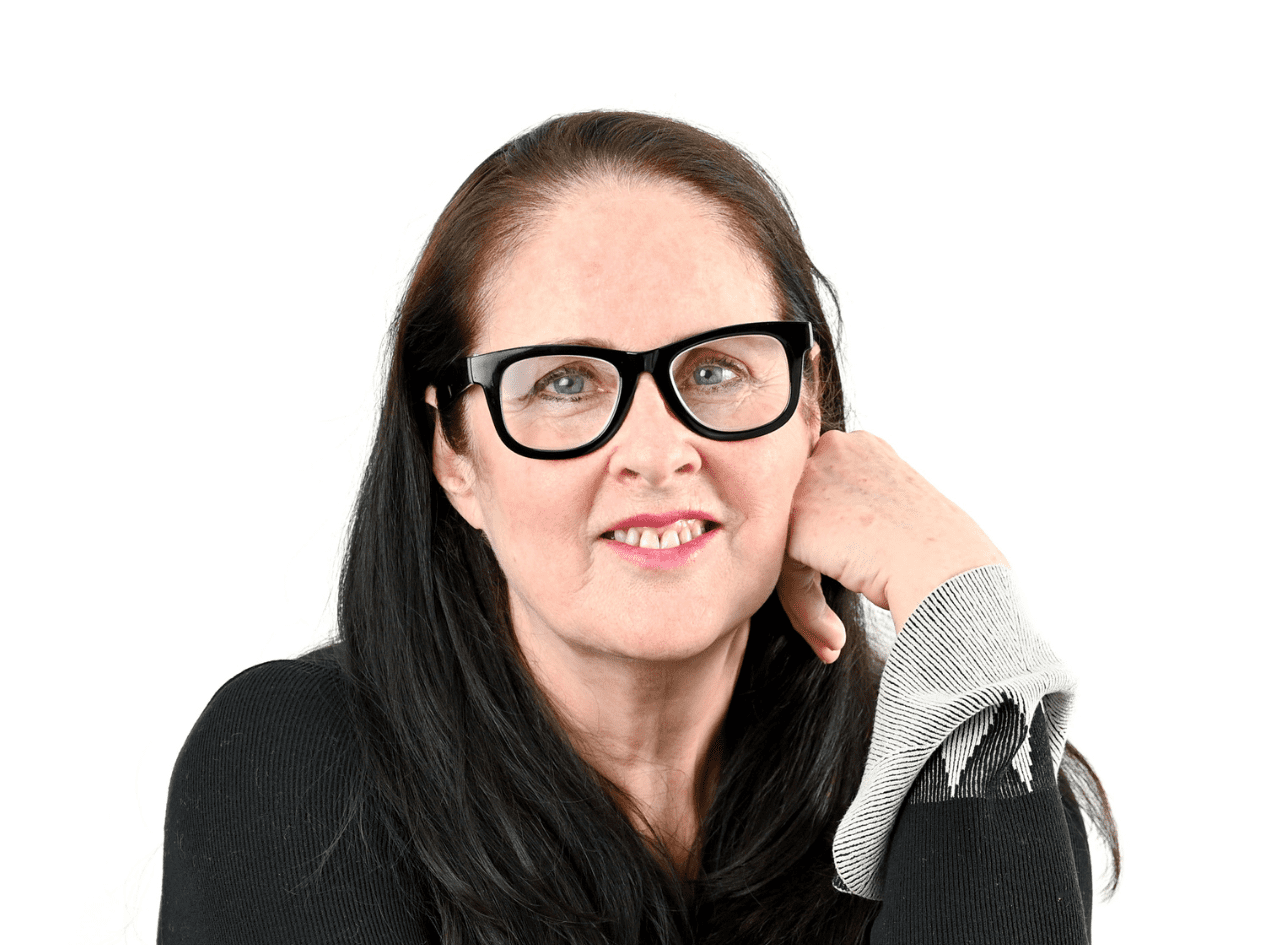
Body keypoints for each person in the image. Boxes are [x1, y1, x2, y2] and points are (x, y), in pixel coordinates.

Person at [158, 110, 1119, 944]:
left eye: (713, 371)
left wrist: (960, 607)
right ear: (453, 451)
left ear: (809, 403)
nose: (657, 453)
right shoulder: (293, 761)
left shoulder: (967, 770)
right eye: (565, 382)